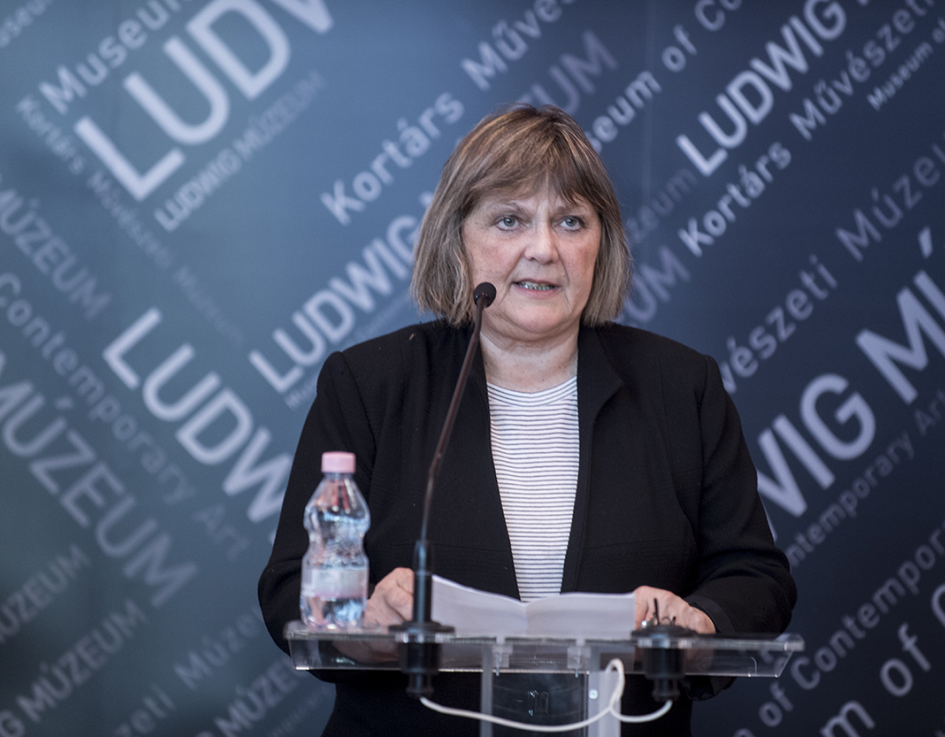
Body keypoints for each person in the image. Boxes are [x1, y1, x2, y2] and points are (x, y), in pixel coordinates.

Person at [258, 103, 796, 736]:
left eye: (571, 221)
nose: (543, 249)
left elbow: (754, 576)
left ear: (601, 243)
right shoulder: (371, 384)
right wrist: (364, 623)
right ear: (457, 238)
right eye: (509, 220)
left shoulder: (682, 387)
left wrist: (699, 622)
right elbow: (290, 585)